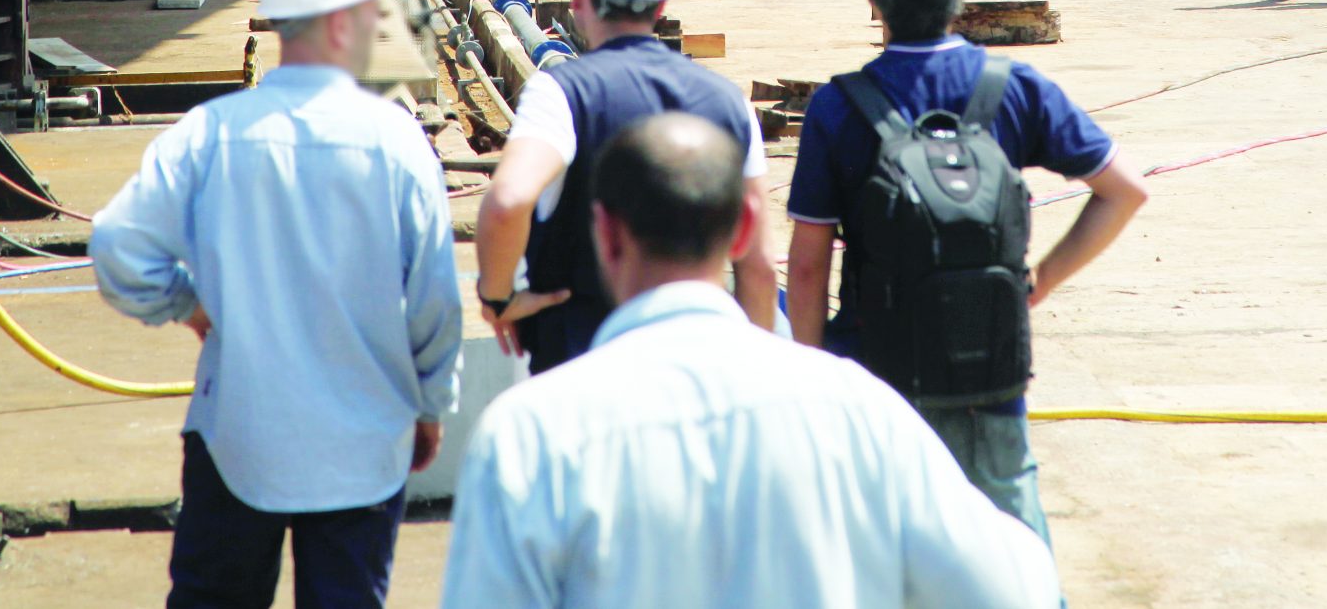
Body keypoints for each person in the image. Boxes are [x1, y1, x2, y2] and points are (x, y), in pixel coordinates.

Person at [444, 113, 1059, 609]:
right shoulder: (858, 409)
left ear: (605, 234)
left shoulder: (530, 435)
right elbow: (1012, 589)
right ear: (744, 232)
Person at [92, 0, 459, 609]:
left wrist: (188, 304)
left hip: (239, 437)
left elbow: (117, 248)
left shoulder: (211, 132)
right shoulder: (398, 143)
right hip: (364, 443)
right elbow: (435, 301)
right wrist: (432, 401)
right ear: (349, 19)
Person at [786, 0, 1146, 543]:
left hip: (873, 375)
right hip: (988, 374)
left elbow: (807, 268)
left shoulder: (837, 108)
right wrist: (1039, 281)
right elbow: (1124, 189)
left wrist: (811, 386)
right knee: (1013, 561)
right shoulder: (1016, 89)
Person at [471, 0, 774, 372]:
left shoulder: (561, 94)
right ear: (663, 1)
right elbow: (757, 266)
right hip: (702, 371)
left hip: (579, 368)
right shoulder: (727, 101)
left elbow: (508, 202)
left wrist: (498, 297)